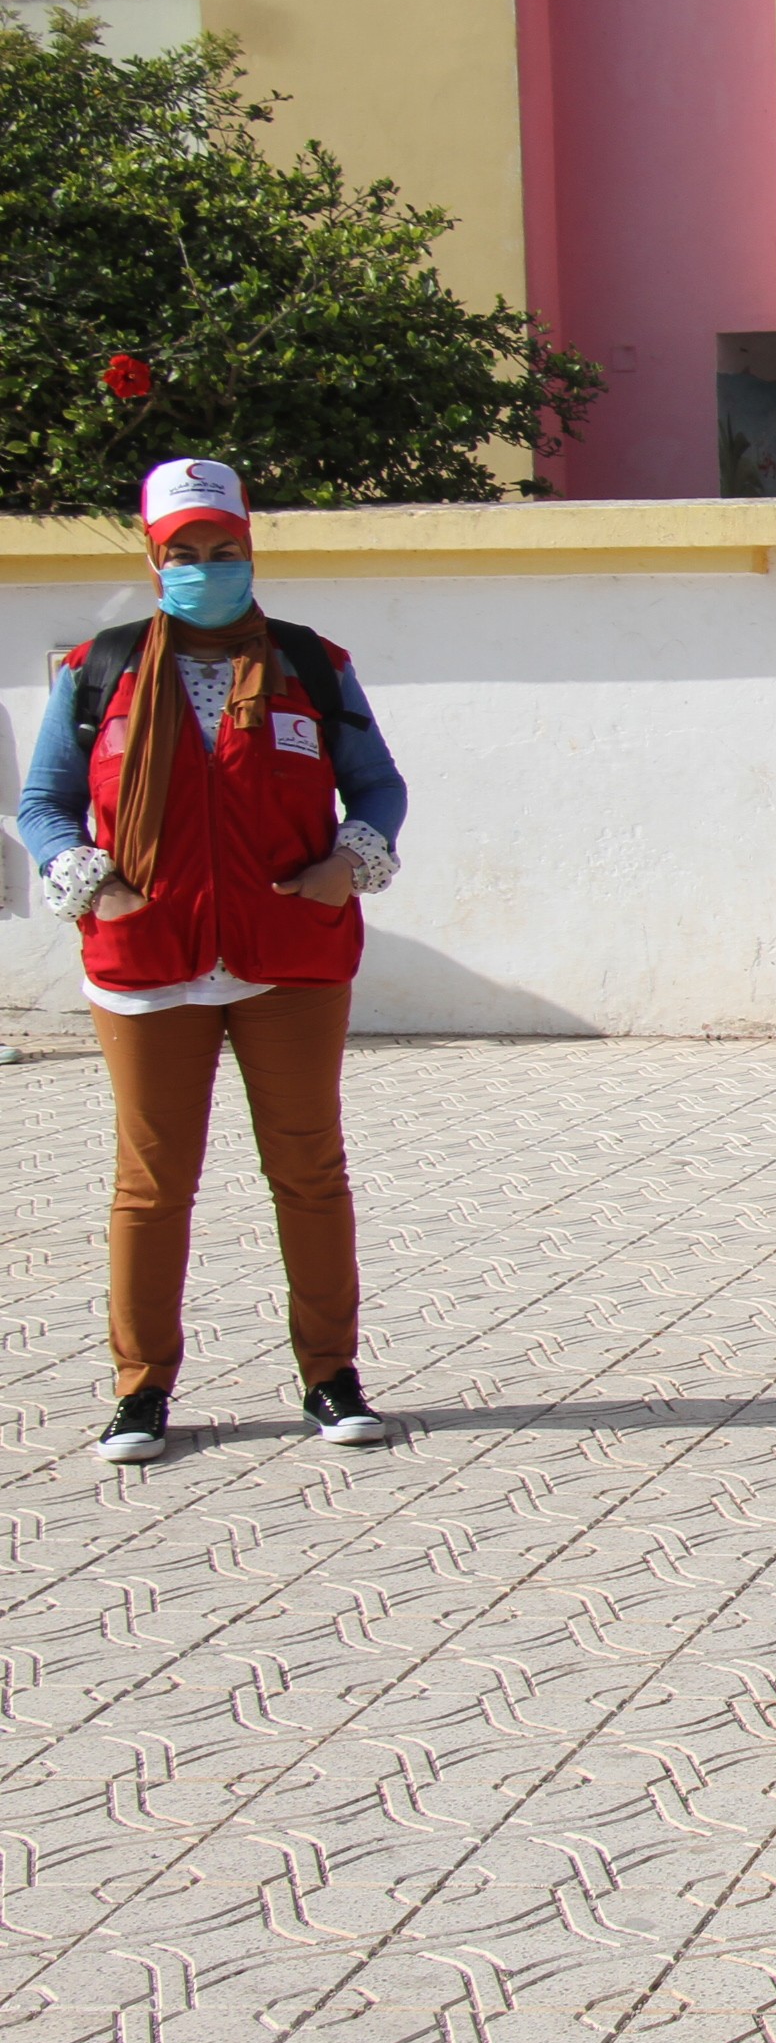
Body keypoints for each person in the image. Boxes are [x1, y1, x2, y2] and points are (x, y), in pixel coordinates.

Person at [18, 459, 410, 1463]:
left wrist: (347, 864)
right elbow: (43, 805)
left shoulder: (309, 664)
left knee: (310, 1173)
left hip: (290, 955)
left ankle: (332, 1377)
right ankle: (141, 1390)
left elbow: (376, 785)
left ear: (249, 551)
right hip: (147, 959)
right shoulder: (97, 672)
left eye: (222, 550)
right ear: (156, 561)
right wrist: (91, 880)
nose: (204, 568)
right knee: (152, 1185)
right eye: (183, 554)